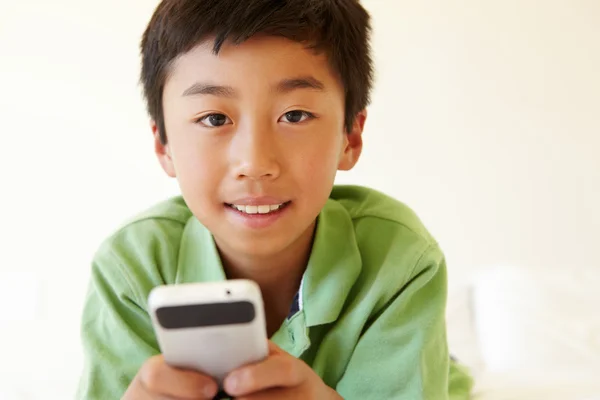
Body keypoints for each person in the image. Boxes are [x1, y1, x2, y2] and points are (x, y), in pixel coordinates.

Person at [77, 0, 474, 398]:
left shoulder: (399, 259)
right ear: (164, 145)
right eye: (215, 119)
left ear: (350, 136)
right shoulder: (131, 269)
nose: (255, 163)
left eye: (295, 115)